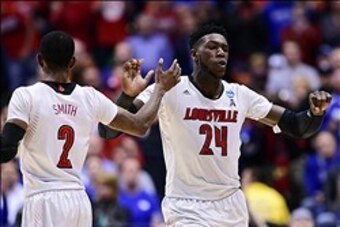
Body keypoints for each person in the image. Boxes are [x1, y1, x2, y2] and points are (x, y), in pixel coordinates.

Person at [99, 24, 332, 226]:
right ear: (195, 54)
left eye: (225, 49)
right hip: (186, 205)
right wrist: (127, 96)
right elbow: (109, 131)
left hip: (230, 203)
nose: (221, 52)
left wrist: (315, 113)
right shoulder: (169, 87)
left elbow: (298, 126)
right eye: (212, 47)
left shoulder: (239, 95)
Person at [0, 31, 181, 227]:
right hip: (79, 201)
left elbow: (6, 150)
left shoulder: (26, 95)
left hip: (43, 199)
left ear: (40, 60)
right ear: (72, 63)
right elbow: (133, 126)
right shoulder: (89, 96)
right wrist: (157, 90)